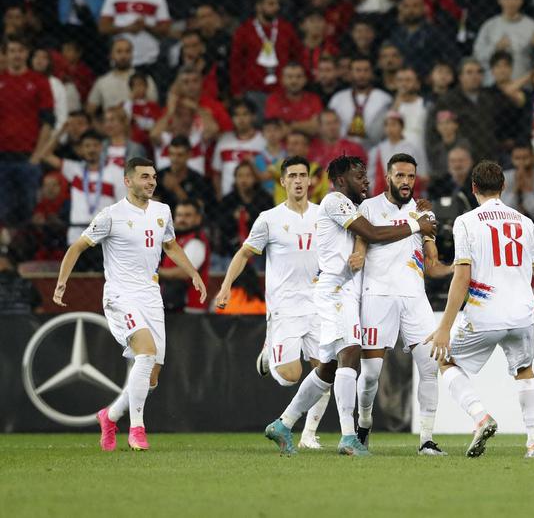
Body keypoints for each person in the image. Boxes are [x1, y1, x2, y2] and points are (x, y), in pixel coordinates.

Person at [262, 155, 435, 456]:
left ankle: (283, 423)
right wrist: (415, 225)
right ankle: (348, 437)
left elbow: (363, 238)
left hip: (348, 291)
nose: (366, 181)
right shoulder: (334, 201)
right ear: (341, 180)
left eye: (366, 175)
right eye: (359, 176)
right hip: (336, 291)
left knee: (328, 368)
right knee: (351, 354)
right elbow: (374, 234)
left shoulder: (350, 205)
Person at [424, 160, 534, 458]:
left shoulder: (466, 221)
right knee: (524, 370)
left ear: (473, 188)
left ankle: (480, 416)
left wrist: (444, 326)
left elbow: (462, 276)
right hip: (522, 314)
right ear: (504, 187)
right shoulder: (525, 222)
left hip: (484, 313)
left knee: (445, 362)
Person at [53, 157, 207, 452]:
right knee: (146, 353)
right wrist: (62, 282)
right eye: (144, 177)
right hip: (120, 296)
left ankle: (109, 416)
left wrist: (194, 274)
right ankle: (137, 429)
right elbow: (78, 246)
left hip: (151, 295)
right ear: (128, 181)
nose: (151, 182)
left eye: (153, 177)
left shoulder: (163, 211)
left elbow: (171, 245)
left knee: (151, 377)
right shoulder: (110, 215)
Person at [216, 156, 332, 451]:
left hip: (318, 303)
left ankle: (308, 434)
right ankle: (270, 354)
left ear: (310, 181)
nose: (297, 180)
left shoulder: (324, 216)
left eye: (302, 175)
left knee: (326, 369)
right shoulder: (270, 218)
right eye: (291, 175)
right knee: (291, 377)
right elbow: (244, 254)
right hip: (285, 307)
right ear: (282, 182)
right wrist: (226, 286)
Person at [352, 153, 453, 455]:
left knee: (429, 367)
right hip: (377, 296)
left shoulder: (425, 215)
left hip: (414, 298)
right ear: (388, 176)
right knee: (370, 373)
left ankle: (426, 439)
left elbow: (431, 264)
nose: (406, 182)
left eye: (411, 177)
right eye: (400, 176)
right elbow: (362, 247)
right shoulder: (369, 207)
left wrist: (457, 269)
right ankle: (364, 423)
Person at [0, 36, 54, 225]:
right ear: (5, 54)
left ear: (27, 54)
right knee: (3, 214)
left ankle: (31, 254)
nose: (17, 55)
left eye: (20, 51)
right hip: (2, 158)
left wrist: (37, 155)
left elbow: (48, 121)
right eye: (12, 51)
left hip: (28, 158)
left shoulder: (39, 81)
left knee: (29, 212)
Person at [98, 0, 171, 69]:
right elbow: (103, 27)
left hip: (149, 60)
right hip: (120, 61)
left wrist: (145, 26)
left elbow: (165, 30)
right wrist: (127, 28)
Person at [159, 200, 209, 313]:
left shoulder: (196, 241)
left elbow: (185, 273)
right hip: (175, 306)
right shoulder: (177, 240)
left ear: (198, 218)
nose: (182, 219)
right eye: (179, 215)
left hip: (189, 309)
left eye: (188, 215)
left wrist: (156, 272)